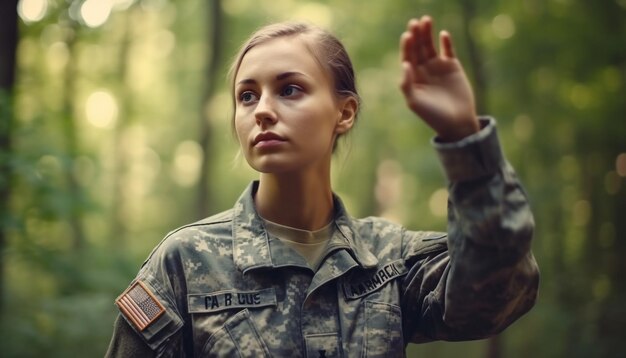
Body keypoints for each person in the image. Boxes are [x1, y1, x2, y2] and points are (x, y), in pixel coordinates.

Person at [106, 15, 539, 357]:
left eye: (290, 89)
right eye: (247, 96)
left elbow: (497, 294)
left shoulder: (389, 259)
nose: (263, 111)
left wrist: (463, 138)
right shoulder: (184, 261)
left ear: (344, 112)